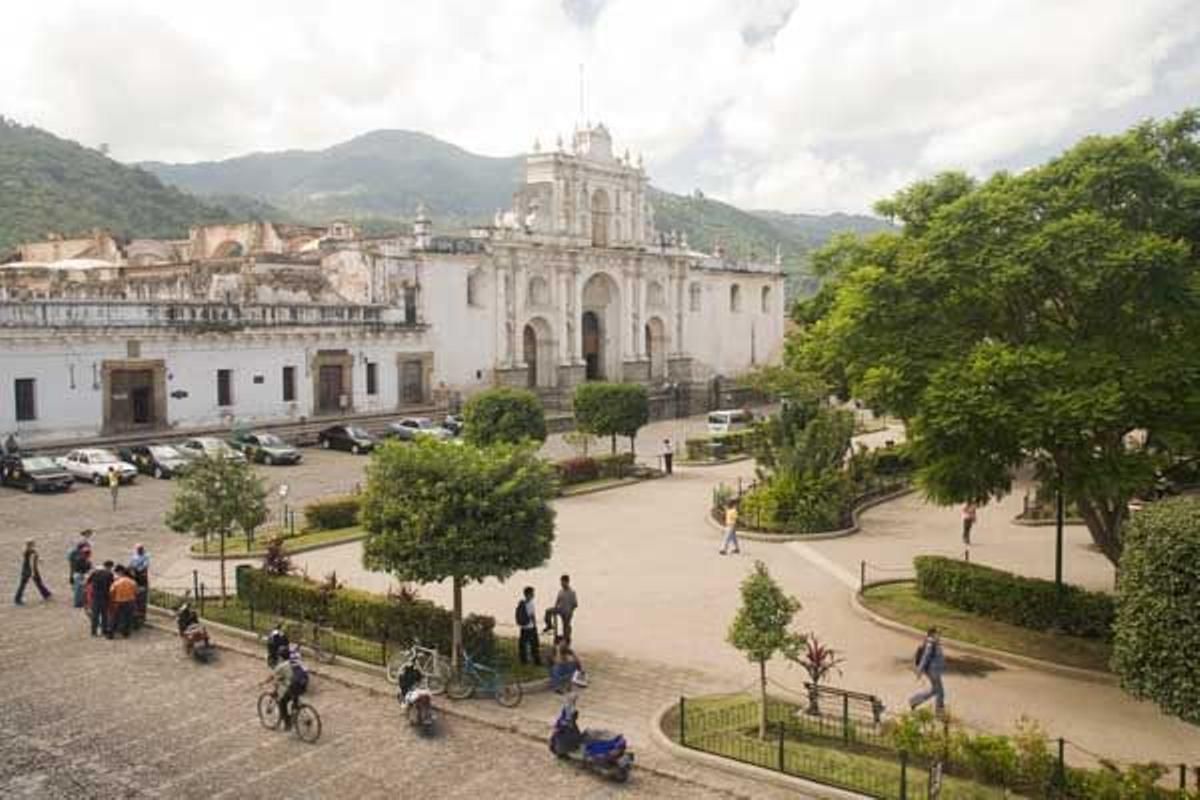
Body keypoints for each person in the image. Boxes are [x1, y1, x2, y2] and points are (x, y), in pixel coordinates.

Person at [269, 644, 309, 730]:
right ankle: (296, 711)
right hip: (304, 684)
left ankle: (288, 724)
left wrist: (266, 683)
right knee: (294, 698)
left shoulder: (281, 666)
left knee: (282, 702)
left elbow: (273, 678)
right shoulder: (296, 661)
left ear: (280, 656)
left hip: (294, 686)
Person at [909, 627, 947, 717]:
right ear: (932, 634)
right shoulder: (931, 643)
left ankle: (914, 701)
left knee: (935, 690)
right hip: (932, 671)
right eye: (938, 633)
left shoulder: (935, 643)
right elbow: (925, 657)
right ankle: (939, 712)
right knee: (940, 692)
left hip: (935, 671)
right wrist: (919, 671)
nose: (940, 635)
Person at [14, 539, 52, 605]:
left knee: (33, 583)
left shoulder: (28, 551)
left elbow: (33, 559)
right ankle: (17, 599)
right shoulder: (31, 552)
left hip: (27, 570)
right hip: (30, 570)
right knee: (26, 584)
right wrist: (33, 572)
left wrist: (39, 560)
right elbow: (31, 562)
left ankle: (46, 594)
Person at [87, 560, 115, 637]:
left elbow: (88, 581)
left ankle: (93, 632)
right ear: (110, 566)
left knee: (95, 615)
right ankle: (104, 630)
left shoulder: (95, 572)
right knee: (104, 615)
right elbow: (112, 585)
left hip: (95, 596)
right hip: (104, 597)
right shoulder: (109, 574)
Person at [548, 574, 578, 645]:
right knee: (548, 611)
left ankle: (566, 639)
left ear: (567, 582)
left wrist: (571, 611)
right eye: (561, 582)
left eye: (563, 582)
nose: (561, 583)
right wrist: (555, 607)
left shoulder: (572, 592)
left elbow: (575, 604)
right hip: (560, 610)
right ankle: (549, 625)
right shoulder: (560, 591)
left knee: (566, 625)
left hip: (568, 612)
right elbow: (557, 601)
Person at [110, 565, 139, 637]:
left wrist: (113, 599)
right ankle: (125, 633)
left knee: (115, 617)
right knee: (128, 617)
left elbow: (111, 591)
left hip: (118, 601)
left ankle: (111, 633)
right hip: (130, 602)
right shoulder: (132, 582)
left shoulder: (117, 582)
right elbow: (136, 592)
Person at [515, 586, 540, 666]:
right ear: (529, 594)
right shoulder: (531, 604)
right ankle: (537, 661)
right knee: (534, 645)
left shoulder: (521, 603)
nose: (533, 595)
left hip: (523, 627)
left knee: (522, 645)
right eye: (532, 593)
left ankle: (523, 661)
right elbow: (532, 616)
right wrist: (535, 625)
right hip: (530, 627)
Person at [129, 544, 149, 623]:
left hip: (141, 576)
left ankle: (142, 617)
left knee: (142, 600)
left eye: (140, 549)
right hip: (135, 575)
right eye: (138, 549)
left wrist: (137, 568)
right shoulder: (135, 555)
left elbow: (145, 565)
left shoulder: (145, 556)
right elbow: (131, 563)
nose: (139, 550)